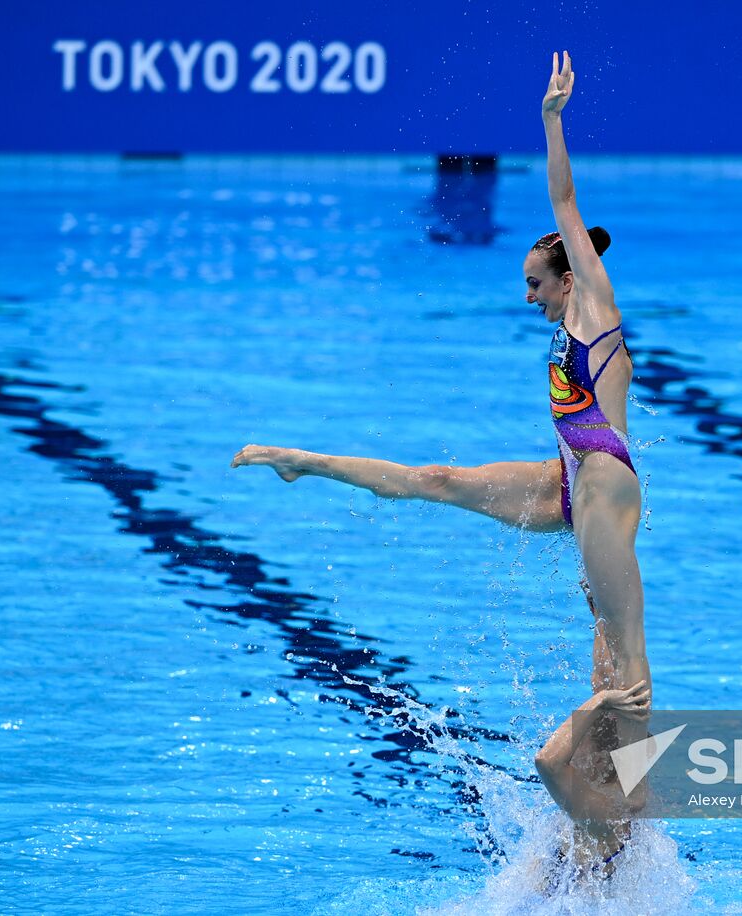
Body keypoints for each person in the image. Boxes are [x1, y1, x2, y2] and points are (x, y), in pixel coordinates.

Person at [230, 51, 651, 738]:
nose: (528, 297)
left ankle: (632, 815)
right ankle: (303, 461)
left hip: (603, 483)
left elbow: (565, 202)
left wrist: (551, 123)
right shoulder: (564, 312)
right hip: (567, 482)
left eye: (536, 285)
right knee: (440, 478)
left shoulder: (595, 305)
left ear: (569, 279)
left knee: (621, 655)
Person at [530, 674, 652, 894]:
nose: (565, 749)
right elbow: (611, 675)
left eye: (572, 747)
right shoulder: (611, 795)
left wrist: (603, 699)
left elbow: (548, 762)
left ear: (599, 761)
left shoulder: (607, 816)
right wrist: (601, 637)